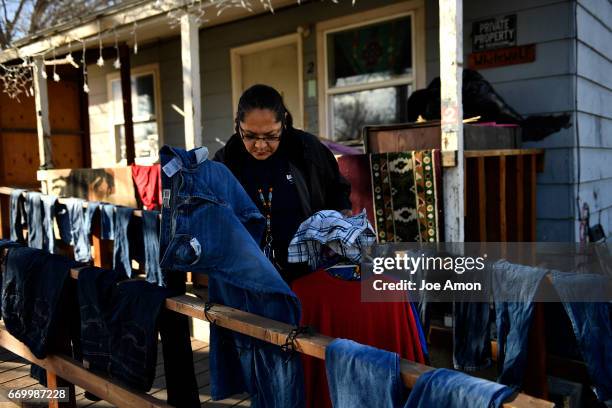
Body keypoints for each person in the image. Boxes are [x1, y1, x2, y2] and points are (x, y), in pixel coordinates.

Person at [213, 84, 352, 283]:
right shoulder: (227, 160)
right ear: (238, 126)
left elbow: (337, 190)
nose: (260, 146)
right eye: (250, 136)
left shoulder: (306, 149)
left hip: (306, 273)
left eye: (271, 136)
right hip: (247, 276)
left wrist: (339, 219)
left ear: (284, 123)